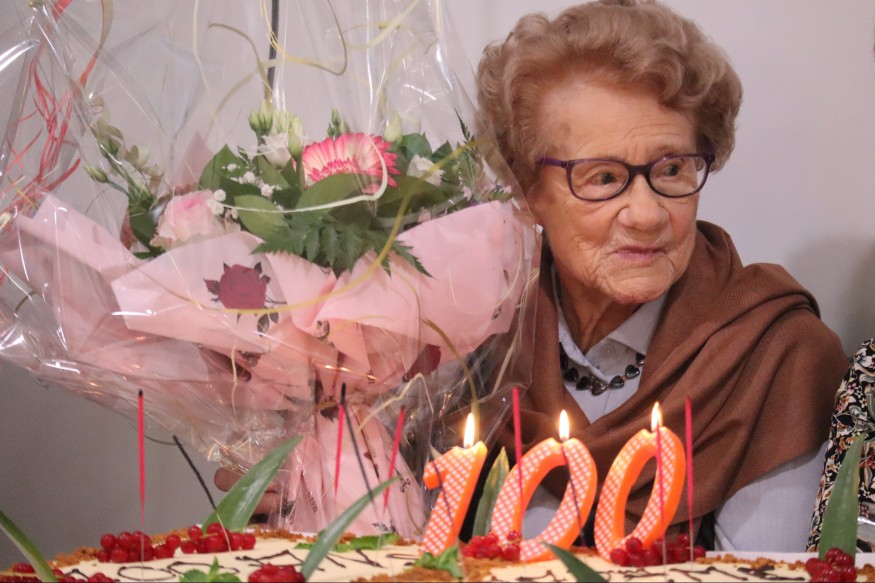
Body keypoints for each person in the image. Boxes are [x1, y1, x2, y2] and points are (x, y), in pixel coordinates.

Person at [474, 0, 848, 552]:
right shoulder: (478, 337)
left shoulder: (775, 355)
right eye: (603, 178)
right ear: (526, 192)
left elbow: (764, 577)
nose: (648, 215)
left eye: (671, 168)